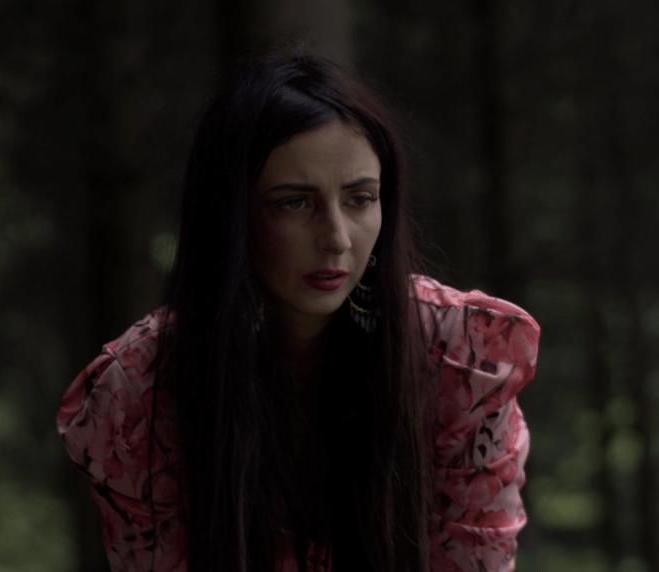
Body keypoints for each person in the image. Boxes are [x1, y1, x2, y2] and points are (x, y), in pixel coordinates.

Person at [57, 51, 540, 572]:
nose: (337, 238)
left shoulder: (458, 365)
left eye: (360, 199)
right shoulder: (141, 396)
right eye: (294, 202)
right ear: (232, 216)